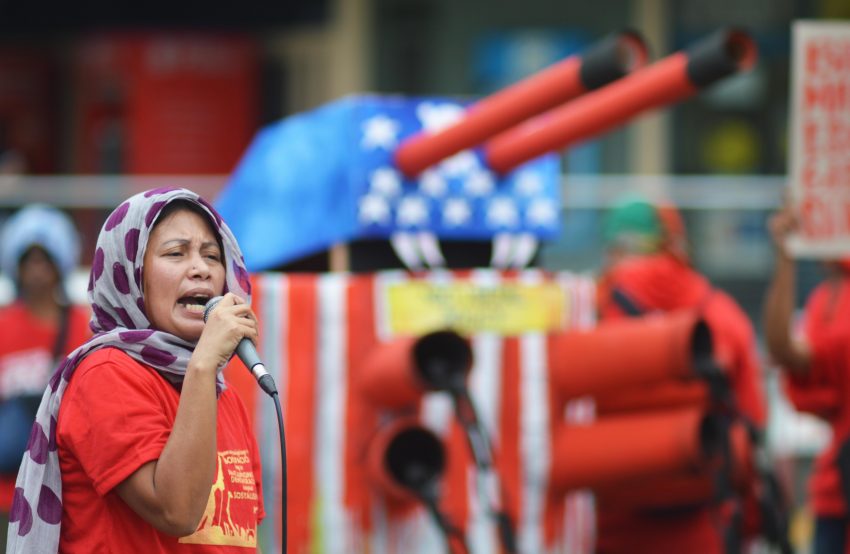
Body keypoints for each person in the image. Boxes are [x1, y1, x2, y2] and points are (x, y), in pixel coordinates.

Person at [6, 188, 264, 553]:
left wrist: (205, 372)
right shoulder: (106, 373)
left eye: (212, 255)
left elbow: (236, 539)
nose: (201, 269)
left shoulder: (225, 395)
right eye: (176, 253)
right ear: (129, 273)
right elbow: (176, 510)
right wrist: (203, 365)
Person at [594, 194, 769, 554]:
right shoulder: (722, 313)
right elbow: (752, 421)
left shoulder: (591, 311)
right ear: (675, 243)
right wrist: (750, 524)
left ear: (614, 247)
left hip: (612, 528)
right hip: (706, 525)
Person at [0, 205, 91, 547]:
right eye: (29, 260)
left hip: (65, 489)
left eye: (45, 260)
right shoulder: (3, 324)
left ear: (61, 265)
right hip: (7, 492)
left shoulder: (85, 325)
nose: (37, 271)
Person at [763, 201, 850, 553]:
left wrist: (785, 256)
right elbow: (787, 351)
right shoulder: (827, 300)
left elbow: (786, 351)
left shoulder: (833, 302)